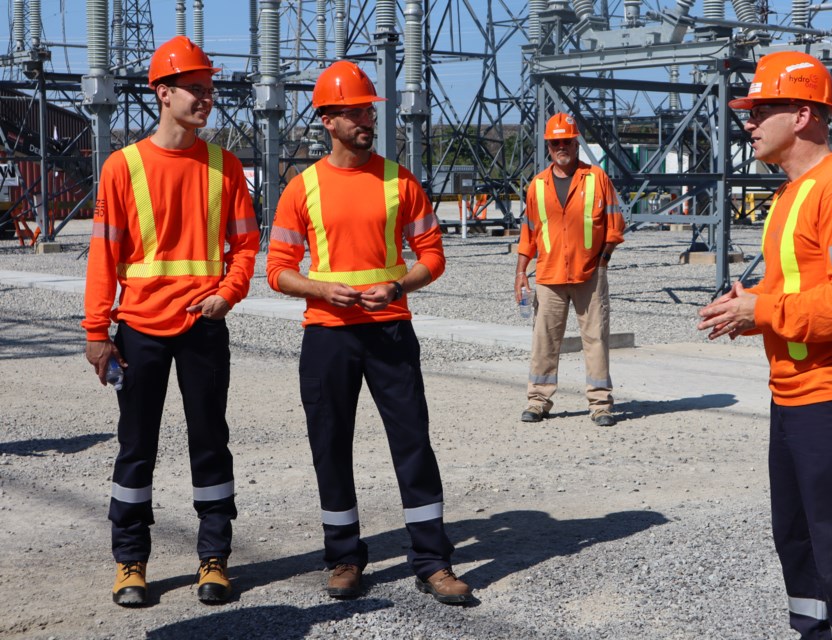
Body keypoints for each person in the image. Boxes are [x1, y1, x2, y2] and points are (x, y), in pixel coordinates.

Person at [697, 52, 832, 639]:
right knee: (800, 534)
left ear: (803, 115)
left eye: (760, 110)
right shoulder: (791, 195)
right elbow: (800, 290)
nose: (748, 123)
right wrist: (750, 311)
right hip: (795, 392)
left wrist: (764, 308)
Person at [265, 60, 471, 604]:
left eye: (368, 111)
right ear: (327, 121)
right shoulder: (301, 188)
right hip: (328, 334)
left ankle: (432, 561)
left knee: (413, 444)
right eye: (355, 112)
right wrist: (319, 289)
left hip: (389, 332)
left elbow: (432, 257)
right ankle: (344, 559)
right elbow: (277, 269)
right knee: (330, 447)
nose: (366, 120)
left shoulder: (399, 180)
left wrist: (398, 287)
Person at [82, 35, 259, 606]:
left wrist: (227, 294)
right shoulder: (122, 166)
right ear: (163, 93)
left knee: (211, 443)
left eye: (210, 90)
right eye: (196, 89)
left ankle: (214, 557)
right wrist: (96, 332)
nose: (207, 99)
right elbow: (104, 254)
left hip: (203, 325)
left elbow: (246, 246)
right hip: (138, 328)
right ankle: (130, 562)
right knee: (135, 446)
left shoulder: (224, 164)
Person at [515, 112, 625, 427]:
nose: (561, 147)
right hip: (549, 275)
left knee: (596, 338)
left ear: (576, 144)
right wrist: (521, 271)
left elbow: (615, 226)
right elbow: (529, 232)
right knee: (545, 340)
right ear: (548, 147)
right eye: (555, 143)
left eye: (567, 141)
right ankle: (538, 401)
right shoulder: (537, 185)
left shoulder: (597, 179)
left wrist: (602, 261)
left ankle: (600, 404)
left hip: (590, 274)